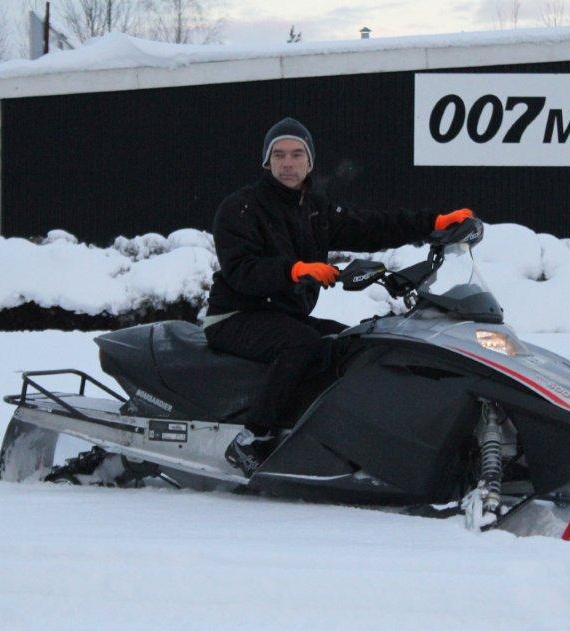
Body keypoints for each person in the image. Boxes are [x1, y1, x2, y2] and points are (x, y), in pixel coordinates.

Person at [203, 117, 474, 475]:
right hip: (236, 315)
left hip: (282, 315)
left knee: (353, 342)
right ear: (267, 162)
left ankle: (328, 431)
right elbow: (241, 270)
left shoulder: (313, 209)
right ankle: (253, 438)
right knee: (303, 346)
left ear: (310, 162)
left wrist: (433, 224)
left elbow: (371, 226)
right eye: (279, 155)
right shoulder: (241, 207)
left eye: (297, 154)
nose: (288, 163)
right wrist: (294, 270)